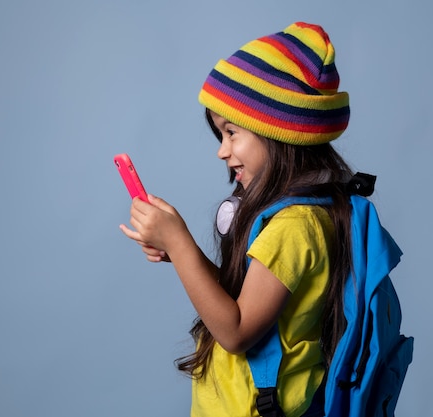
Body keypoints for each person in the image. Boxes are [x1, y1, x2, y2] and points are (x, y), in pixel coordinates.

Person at [120, 22, 354, 417]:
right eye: (219, 135)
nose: (222, 151)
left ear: (279, 131)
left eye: (231, 133)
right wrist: (184, 254)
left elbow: (237, 330)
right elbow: (244, 302)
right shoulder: (293, 216)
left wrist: (179, 242)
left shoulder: (294, 227)